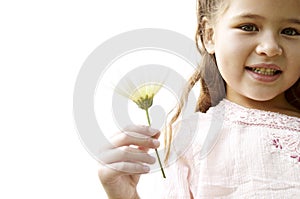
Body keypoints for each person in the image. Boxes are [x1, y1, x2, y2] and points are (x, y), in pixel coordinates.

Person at [98, 0, 300, 198]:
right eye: (248, 27)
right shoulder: (190, 138)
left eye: (291, 31)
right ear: (209, 35)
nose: (270, 48)